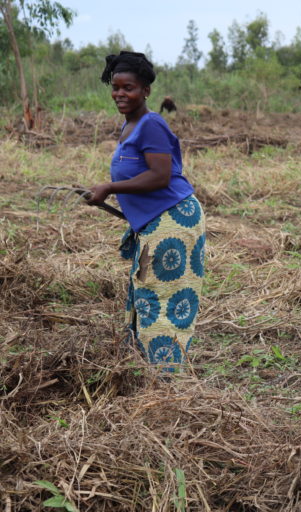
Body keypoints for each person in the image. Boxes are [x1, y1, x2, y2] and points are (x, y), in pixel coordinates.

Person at [87, 51, 205, 372]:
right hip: (155, 222)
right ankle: (146, 369)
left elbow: (159, 176)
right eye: (116, 87)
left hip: (173, 221)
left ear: (146, 91)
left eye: (129, 88)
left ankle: (165, 379)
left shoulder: (151, 123)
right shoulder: (130, 124)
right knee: (146, 294)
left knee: (162, 298)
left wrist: (110, 188)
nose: (120, 94)